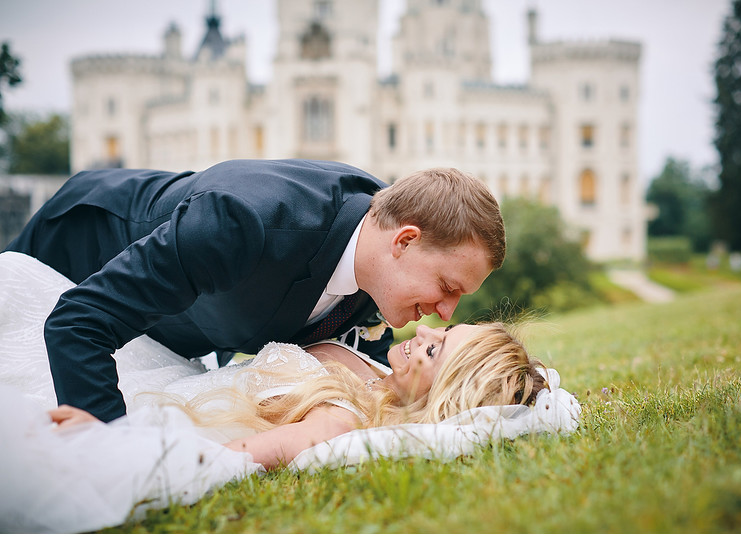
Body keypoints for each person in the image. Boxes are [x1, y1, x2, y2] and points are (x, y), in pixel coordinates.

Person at [0, 251, 580, 533]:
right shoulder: (377, 371)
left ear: (440, 394)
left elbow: (231, 458)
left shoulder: (343, 421)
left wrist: (108, 445)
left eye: (435, 351)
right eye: (444, 330)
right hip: (169, 365)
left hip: (163, 407)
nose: (426, 331)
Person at [3, 159, 505, 423]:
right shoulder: (240, 222)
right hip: (76, 252)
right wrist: (111, 444)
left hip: (176, 333)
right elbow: (80, 322)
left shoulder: (381, 256)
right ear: (406, 240)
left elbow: (361, 380)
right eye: (446, 287)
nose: (445, 312)